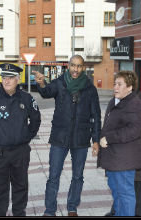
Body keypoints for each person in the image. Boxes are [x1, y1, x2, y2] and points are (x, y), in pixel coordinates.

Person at [33, 55, 101, 216]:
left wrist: (96, 140)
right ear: (68, 66)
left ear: (83, 68)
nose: (75, 69)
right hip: (60, 137)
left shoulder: (90, 89)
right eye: (73, 65)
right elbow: (46, 92)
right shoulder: (60, 82)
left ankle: (72, 207)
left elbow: (96, 115)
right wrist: (41, 83)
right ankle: (50, 210)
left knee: (78, 176)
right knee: (53, 176)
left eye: (79, 66)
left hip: (81, 138)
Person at [0, 63, 41, 216]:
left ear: (18, 80)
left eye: (11, 78)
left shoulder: (27, 99)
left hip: (20, 152)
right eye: (4, 77)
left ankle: (19, 213)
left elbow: (35, 120)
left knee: (20, 187)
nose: (6, 81)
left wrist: (26, 136)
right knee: (0, 189)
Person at [97, 70, 141, 216]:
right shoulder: (115, 101)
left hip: (124, 160)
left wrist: (109, 138)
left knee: (125, 194)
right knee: (116, 190)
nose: (115, 87)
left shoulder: (134, 104)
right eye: (115, 84)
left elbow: (133, 130)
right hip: (114, 158)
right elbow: (108, 125)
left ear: (130, 87)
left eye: (120, 84)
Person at [105, 89, 141, 216]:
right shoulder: (114, 101)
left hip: (135, 151)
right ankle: (116, 211)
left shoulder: (140, 102)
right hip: (117, 153)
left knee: (136, 185)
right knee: (118, 185)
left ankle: (137, 214)